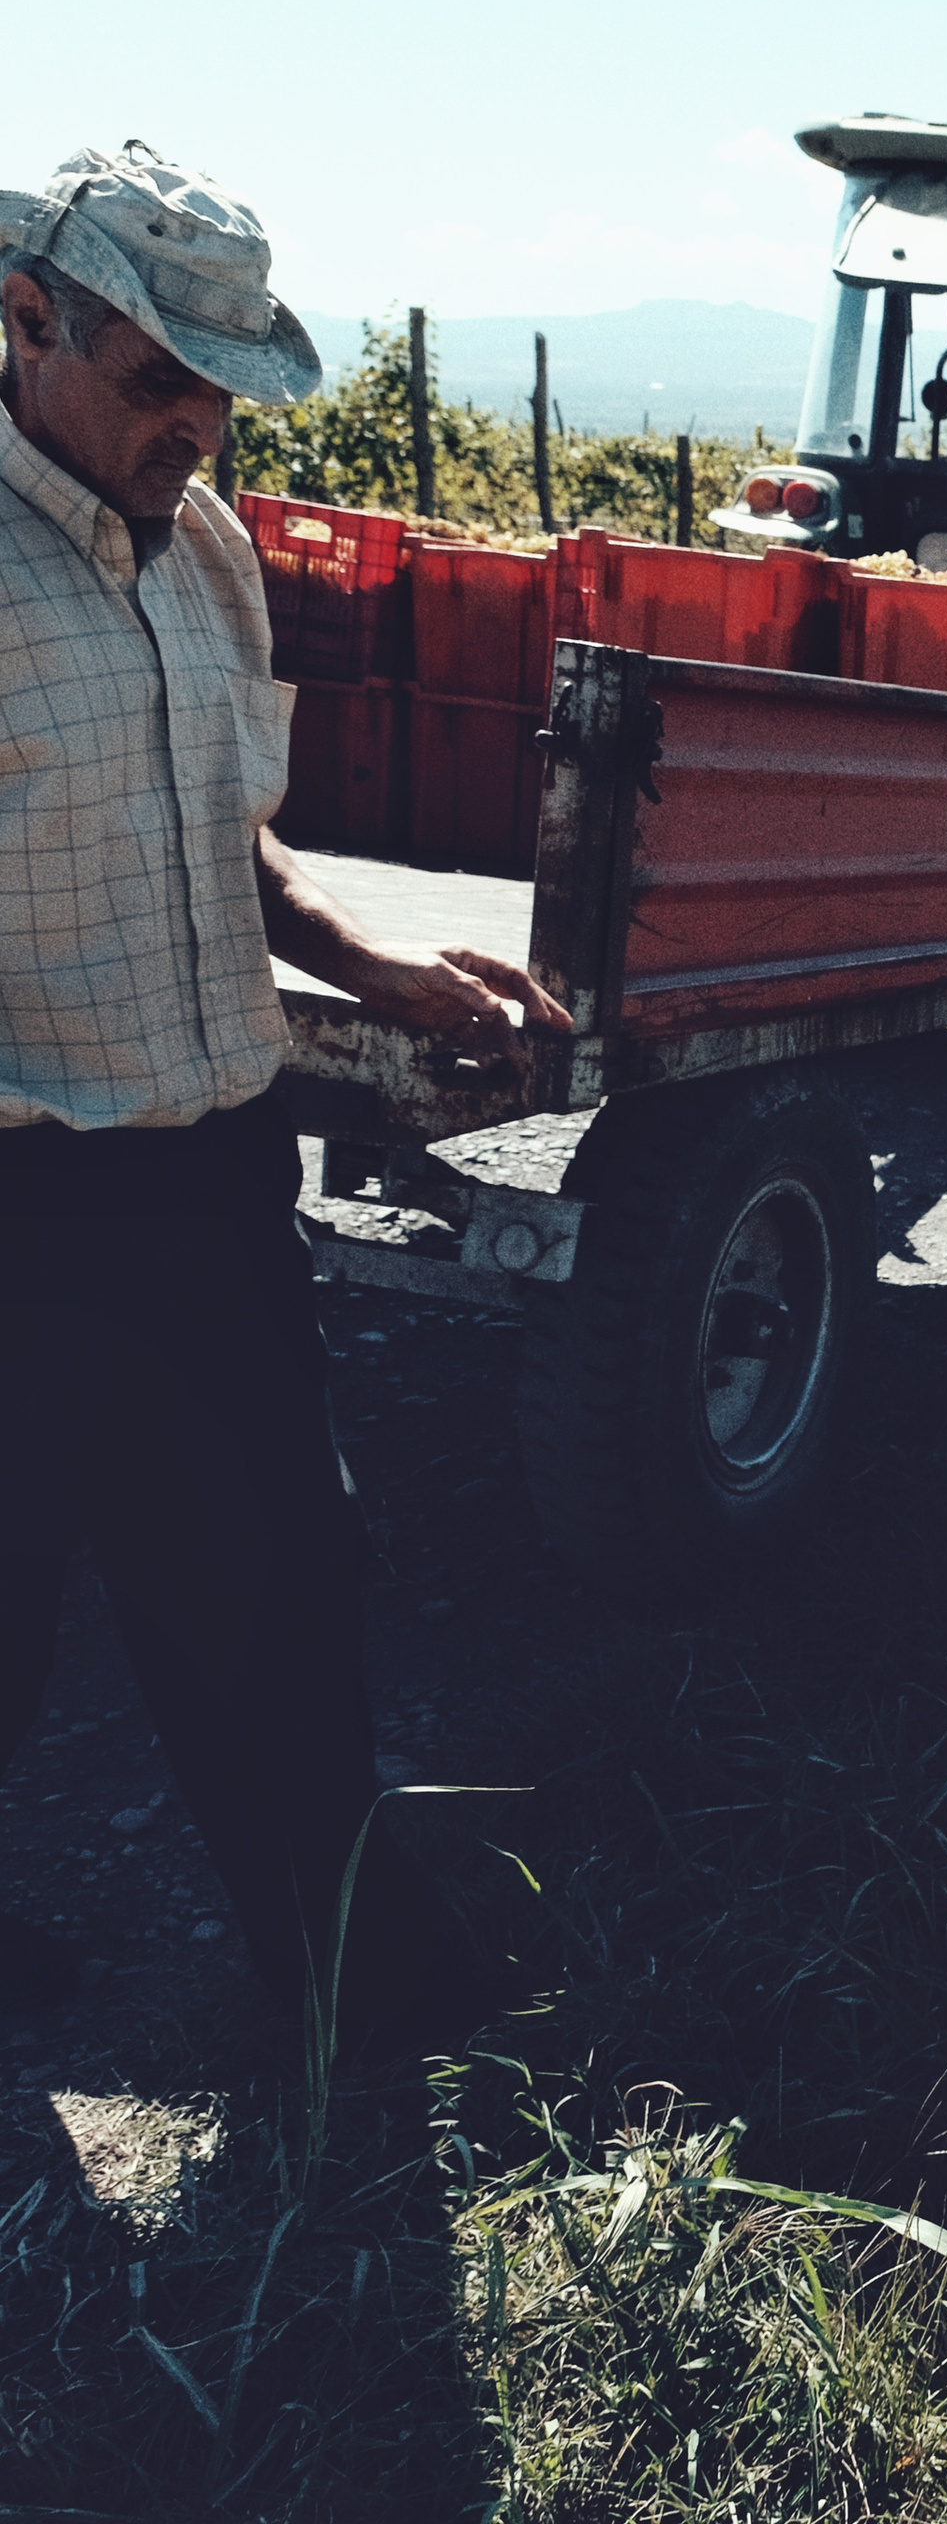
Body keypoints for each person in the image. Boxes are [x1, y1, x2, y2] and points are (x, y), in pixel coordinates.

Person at [0, 143, 572, 2045]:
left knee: (278, 1592)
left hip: (217, 1188)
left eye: (221, 387)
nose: (199, 425)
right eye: (161, 377)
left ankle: (352, 1992)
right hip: (27, 1207)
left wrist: (374, 966)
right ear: (24, 323)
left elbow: (221, 838)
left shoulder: (212, 553)